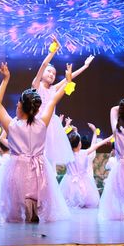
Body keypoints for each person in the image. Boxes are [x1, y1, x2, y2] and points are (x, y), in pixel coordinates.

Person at [0, 62, 71, 223]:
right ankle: (33, 205)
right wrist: (68, 81)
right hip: (39, 166)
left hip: (18, 166)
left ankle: (24, 207)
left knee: (16, 194)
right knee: (36, 190)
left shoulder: (12, 126)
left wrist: (5, 79)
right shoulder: (43, 124)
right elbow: (53, 101)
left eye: (17, 104)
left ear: (20, 107)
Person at [31, 36, 95, 165]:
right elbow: (43, 65)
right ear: (42, 74)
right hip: (38, 122)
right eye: (49, 72)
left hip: (51, 125)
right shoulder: (36, 86)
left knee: (49, 157)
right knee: (37, 153)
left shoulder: (53, 89)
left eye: (54, 74)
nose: (51, 74)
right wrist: (53, 51)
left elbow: (69, 78)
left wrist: (85, 66)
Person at [59, 130, 112, 208]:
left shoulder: (68, 154)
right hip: (83, 179)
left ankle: (75, 202)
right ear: (79, 144)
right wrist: (109, 138)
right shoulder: (84, 153)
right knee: (83, 193)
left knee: (71, 196)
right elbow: (96, 145)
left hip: (70, 180)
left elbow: (59, 141)